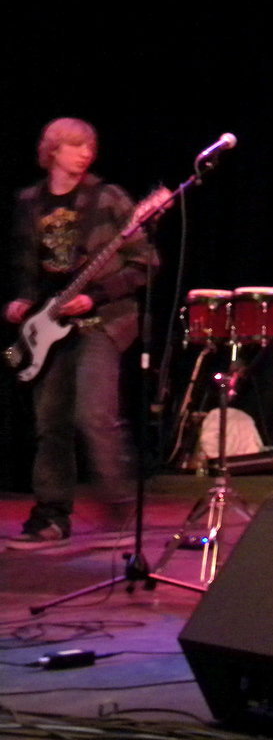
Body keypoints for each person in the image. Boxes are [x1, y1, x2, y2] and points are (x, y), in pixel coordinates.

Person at [5, 117, 158, 551]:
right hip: (48, 325)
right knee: (49, 423)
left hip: (102, 321)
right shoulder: (29, 201)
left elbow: (146, 262)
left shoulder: (108, 198)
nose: (85, 152)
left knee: (93, 416)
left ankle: (119, 506)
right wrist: (21, 300)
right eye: (75, 145)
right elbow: (25, 266)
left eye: (89, 145)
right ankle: (51, 516)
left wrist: (97, 296)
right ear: (52, 150)